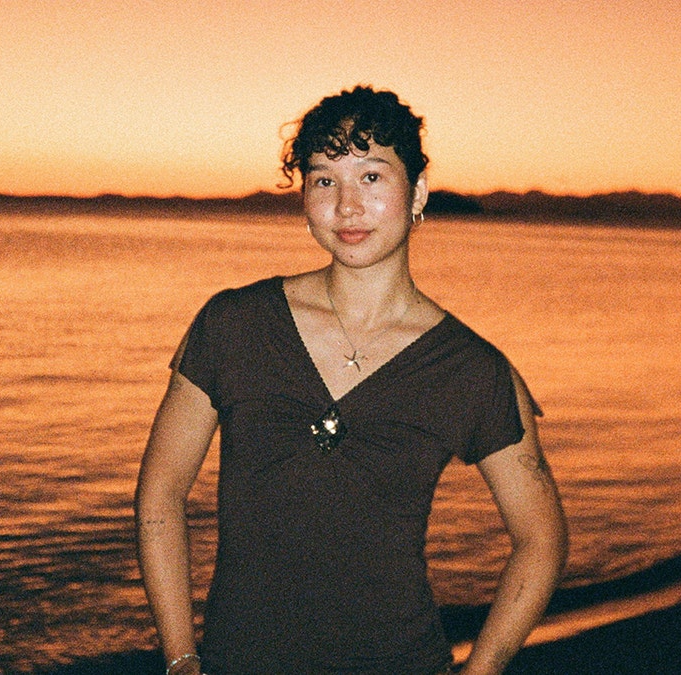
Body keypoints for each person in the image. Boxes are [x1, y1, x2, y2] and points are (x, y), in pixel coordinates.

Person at [135, 85, 567, 675]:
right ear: (305, 198)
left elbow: (540, 540)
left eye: (371, 177)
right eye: (323, 180)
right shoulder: (234, 324)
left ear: (416, 193)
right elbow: (161, 491)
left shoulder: (472, 370)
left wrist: (484, 666)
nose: (347, 206)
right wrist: (181, 657)